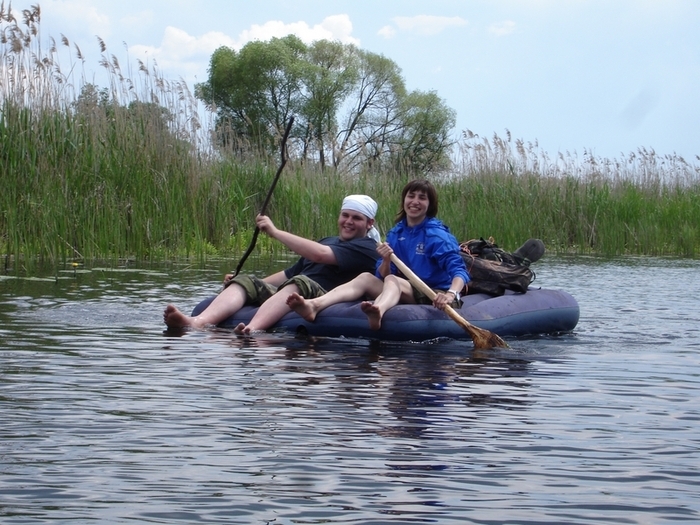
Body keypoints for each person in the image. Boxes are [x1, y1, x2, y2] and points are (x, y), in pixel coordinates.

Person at [163, 194, 381, 332]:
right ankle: (197, 323)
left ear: (369, 223)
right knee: (247, 281)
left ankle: (252, 329)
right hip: (297, 285)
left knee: (299, 282)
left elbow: (320, 255)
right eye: (345, 215)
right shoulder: (328, 240)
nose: (349, 222)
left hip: (325, 295)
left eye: (357, 218)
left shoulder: (367, 248)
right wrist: (248, 283)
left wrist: (275, 233)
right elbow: (288, 273)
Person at [286, 179, 470, 331]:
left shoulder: (437, 235)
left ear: (429, 205)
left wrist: (450, 294)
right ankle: (314, 305)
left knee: (393, 280)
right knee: (366, 277)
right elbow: (382, 274)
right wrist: (387, 259)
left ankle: (379, 310)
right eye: (411, 196)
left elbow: (459, 272)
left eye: (422, 198)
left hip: (433, 292)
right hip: (406, 288)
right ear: (404, 200)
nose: (415, 201)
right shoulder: (396, 233)